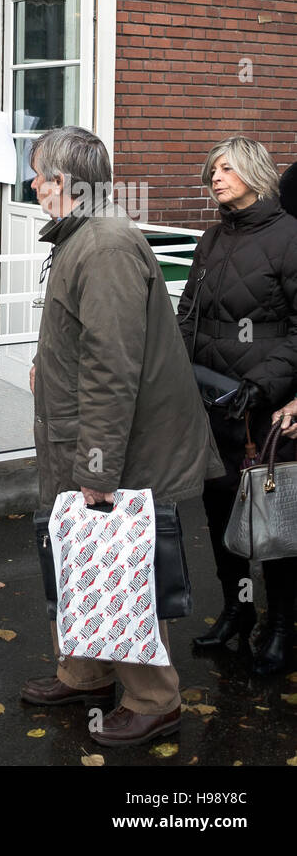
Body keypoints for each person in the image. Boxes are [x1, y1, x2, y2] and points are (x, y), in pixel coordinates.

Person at [20, 126, 222, 746]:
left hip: (113, 448)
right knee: (83, 557)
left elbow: (113, 367)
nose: (30, 185)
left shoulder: (103, 245)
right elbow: (89, 342)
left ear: (60, 183)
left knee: (121, 563)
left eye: (36, 174)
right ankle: (85, 670)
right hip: (87, 438)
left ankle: (153, 697)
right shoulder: (88, 235)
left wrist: (97, 472)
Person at [179, 136, 297, 675]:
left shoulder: (289, 237)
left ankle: (281, 628)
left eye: (225, 169)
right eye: (211, 171)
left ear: (254, 171)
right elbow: (187, 316)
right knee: (220, 510)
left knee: (272, 520)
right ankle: (238, 610)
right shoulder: (211, 238)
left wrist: (265, 386)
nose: (215, 178)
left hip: (266, 412)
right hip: (212, 404)